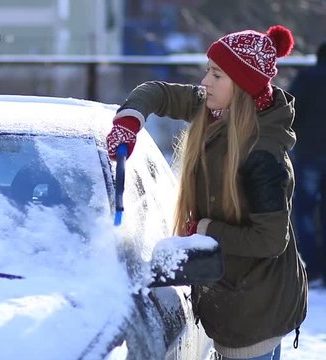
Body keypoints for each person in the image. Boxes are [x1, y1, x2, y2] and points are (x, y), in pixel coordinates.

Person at [106, 25, 308, 360]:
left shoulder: (263, 157)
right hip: (235, 298)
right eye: (207, 72)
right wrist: (129, 120)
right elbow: (157, 92)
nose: (204, 83)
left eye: (216, 75)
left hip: (253, 311)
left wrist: (204, 230)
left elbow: (272, 240)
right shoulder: (217, 110)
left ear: (242, 85)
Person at [288, 42, 326, 283]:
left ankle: (312, 266)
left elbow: (292, 113)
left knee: (304, 211)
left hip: (310, 152)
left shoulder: (307, 78)